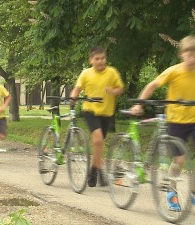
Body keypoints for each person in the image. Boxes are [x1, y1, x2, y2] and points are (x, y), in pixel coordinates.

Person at [131, 35, 195, 211]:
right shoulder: (174, 71)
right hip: (175, 121)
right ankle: (171, 191)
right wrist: (139, 103)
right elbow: (153, 85)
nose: (193, 59)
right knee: (179, 160)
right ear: (181, 54)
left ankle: (193, 191)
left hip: (194, 119)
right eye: (189, 54)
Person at [70, 46, 124, 187]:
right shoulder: (86, 73)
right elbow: (77, 88)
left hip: (107, 113)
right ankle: (96, 172)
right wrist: (73, 98)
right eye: (97, 59)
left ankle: (96, 169)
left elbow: (120, 88)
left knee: (98, 144)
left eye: (103, 58)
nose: (100, 61)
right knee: (98, 140)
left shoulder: (112, 72)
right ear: (91, 61)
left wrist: (113, 91)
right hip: (90, 110)